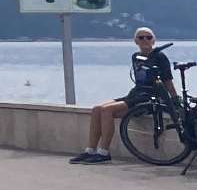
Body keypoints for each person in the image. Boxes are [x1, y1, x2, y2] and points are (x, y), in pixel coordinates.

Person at [71, 26, 174, 163]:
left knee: (106, 110)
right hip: (136, 94)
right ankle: (90, 150)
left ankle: (104, 152)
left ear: (153, 40)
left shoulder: (160, 57)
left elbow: (167, 80)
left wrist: (174, 98)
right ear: (136, 41)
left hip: (149, 97)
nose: (145, 40)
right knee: (96, 109)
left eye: (148, 37)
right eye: (141, 37)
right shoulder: (135, 56)